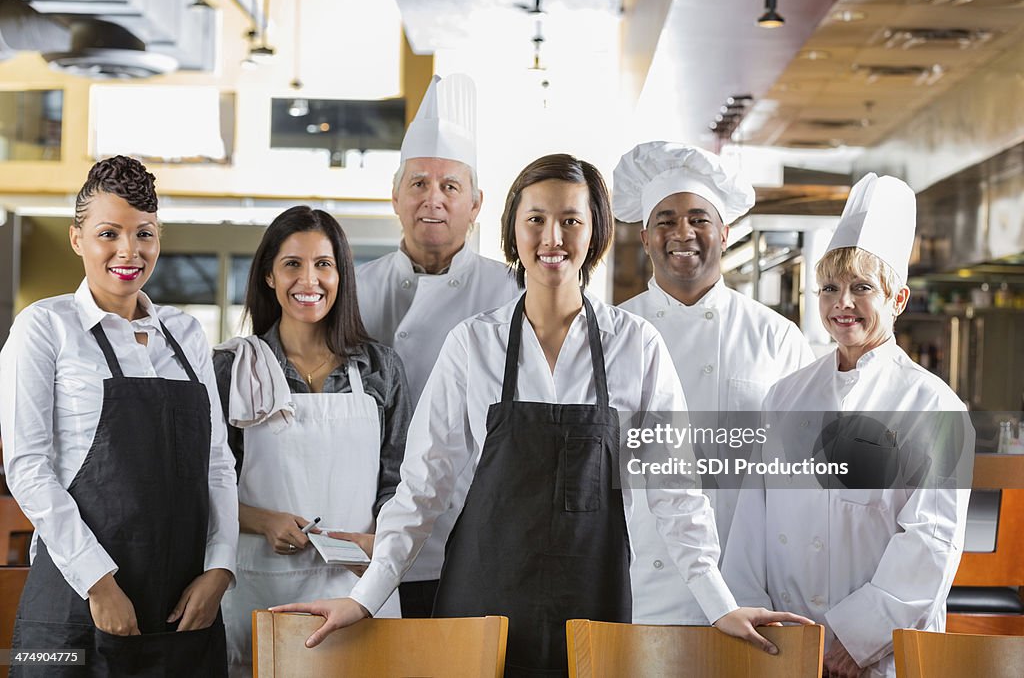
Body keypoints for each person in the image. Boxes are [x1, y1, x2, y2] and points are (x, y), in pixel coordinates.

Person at [274, 154, 809, 677]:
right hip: (482, 599)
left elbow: (676, 491)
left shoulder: (636, 345)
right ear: (513, 231)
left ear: (595, 232)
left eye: (571, 220)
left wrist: (719, 604)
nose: (553, 238)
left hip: (593, 599)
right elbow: (422, 488)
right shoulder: (473, 344)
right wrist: (366, 598)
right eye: (536, 220)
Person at [722, 173, 973, 678]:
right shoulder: (786, 396)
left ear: (897, 299)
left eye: (862, 288)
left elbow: (931, 544)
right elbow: (751, 518)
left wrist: (855, 641)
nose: (843, 303)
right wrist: (753, 618)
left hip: (878, 655)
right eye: (830, 288)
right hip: (784, 648)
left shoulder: (934, 406)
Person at [0, 155, 237, 676]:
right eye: (109, 233)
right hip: (74, 598)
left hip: (184, 603)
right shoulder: (45, 327)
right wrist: (98, 583)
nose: (128, 251)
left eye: (144, 234)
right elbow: (28, 468)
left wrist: (220, 569)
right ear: (77, 239)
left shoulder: (187, 333)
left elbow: (217, 464)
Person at [614, 142, 813, 624]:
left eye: (699, 219)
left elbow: (802, 474)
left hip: (743, 584)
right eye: (665, 220)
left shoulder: (776, 337)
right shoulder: (609, 333)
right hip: (636, 583)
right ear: (645, 237)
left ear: (724, 233)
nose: (683, 232)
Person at [212, 206, 410, 676]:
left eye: (324, 264)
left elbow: (400, 482)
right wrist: (264, 521)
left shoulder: (380, 369)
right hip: (262, 586)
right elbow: (207, 483)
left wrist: (377, 541)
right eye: (292, 264)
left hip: (358, 586)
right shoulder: (234, 369)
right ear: (268, 276)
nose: (309, 280)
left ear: (342, 275)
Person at [354, 73, 520, 617]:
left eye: (451, 186)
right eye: (419, 183)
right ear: (395, 196)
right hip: (364, 532)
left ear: (476, 204)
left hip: (477, 527)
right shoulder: (351, 290)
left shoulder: (512, 292)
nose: (434, 199)